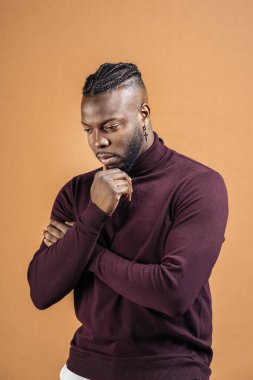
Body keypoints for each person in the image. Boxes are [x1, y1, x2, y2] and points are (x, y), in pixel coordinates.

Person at [27, 62, 229, 380]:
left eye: (110, 127)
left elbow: (173, 293)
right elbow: (41, 291)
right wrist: (93, 216)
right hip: (82, 370)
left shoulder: (198, 185)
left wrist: (87, 251)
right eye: (88, 129)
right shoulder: (79, 191)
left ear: (143, 115)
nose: (98, 142)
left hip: (169, 370)